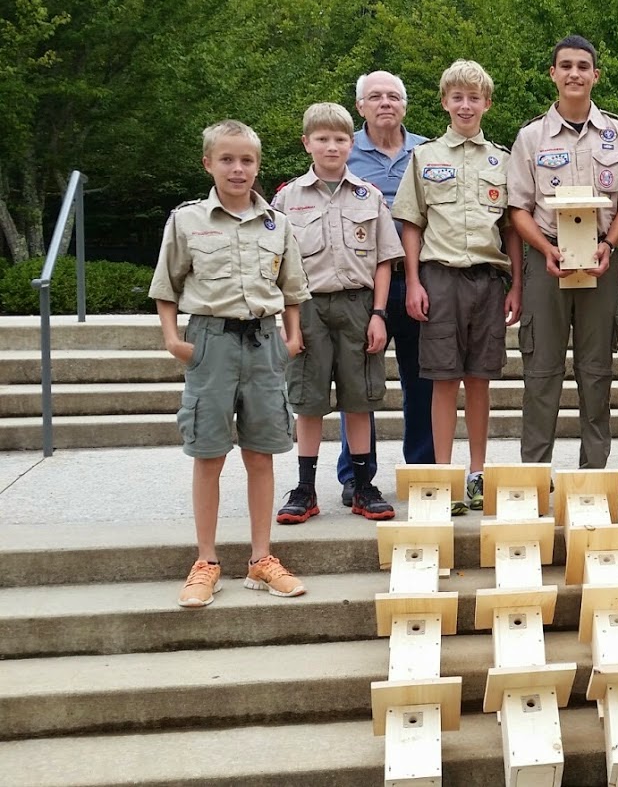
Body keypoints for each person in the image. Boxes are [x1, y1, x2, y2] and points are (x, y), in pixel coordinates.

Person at [149, 119, 310, 607]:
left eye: (247, 160)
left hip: (263, 345)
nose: (238, 169)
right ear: (208, 164)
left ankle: (262, 559)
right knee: (209, 454)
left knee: (261, 455)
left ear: (258, 165)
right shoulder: (187, 221)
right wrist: (174, 340)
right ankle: (206, 562)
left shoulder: (277, 223)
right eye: (227, 159)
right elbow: (166, 285)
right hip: (211, 342)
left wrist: (293, 337)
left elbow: (293, 288)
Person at [508, 35, 618, 470]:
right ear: (553, 74)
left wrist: (608, 246)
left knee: (597, 373)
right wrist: (546, 248)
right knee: (541, 373)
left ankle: (593, 476)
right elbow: (518, 208)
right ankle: (533, 475)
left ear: (595, 76)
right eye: (565, 66)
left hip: (600, 265)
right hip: (546, 262)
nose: (574, 74)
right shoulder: (531, 137)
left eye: (583, 66)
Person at [393, 59, 521, 512]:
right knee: (443, 380)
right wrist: (412, 282)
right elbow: (411, 222)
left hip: (488, 280)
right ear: (445, 101)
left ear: (487, 103)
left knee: (480, 379)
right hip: (439, 277)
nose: (466, 105)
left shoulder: (502, 161)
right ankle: (445, 477)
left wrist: (516, 285)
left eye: (474, 97)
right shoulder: (424, 157)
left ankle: (476, 474)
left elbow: (511, 229)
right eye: (457, 97)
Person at [272, 102, 403, 523]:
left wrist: (379, 314)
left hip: (358, 306)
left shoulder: (369, 195)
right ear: (306, 142)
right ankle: (304, 488)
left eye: (340, 139)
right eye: (323, 139)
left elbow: (385, 259)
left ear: (352, 143)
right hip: (307, 306)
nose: (332, 146)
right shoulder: (287, 199)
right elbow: (276, 266)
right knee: (309, 401)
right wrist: (289, 323)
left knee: (359, 398)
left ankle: (364, 485)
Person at [338, 70, 432, 508]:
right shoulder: (342, 152)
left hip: (416, 281)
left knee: (422, 379)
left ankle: (423, 469)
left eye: (394, 96)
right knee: (359, 383)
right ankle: (356, 475)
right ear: (360, 107)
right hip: (362, 288)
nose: (385, 103)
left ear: (405, 106)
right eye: (374, 97)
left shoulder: (428, 152)